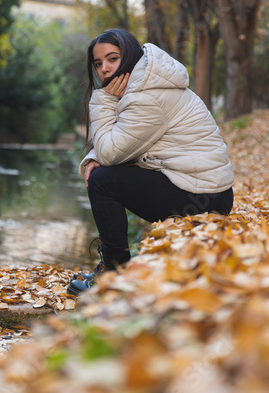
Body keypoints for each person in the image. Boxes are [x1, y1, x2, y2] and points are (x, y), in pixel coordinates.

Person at [67, 29, 234, 296]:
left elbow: (111, 153)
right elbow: (126, 143)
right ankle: (116, 268)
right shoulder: (146, 84)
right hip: (203, 188)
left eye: (112, 59)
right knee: (103, 174)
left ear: (130, 56)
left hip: (203, 197)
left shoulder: (145, 96)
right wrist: (92, 158)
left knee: (101, 182)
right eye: (98, 63)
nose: (104, 69)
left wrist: (102, 100)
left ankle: (114, 272)